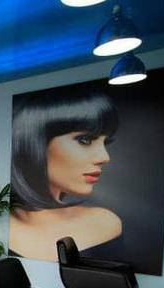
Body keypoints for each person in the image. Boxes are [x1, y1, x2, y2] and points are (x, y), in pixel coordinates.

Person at [9, 89, 122, 261]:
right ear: (33, 143)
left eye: (105, 142)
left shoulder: (104, 223)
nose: (104, 157)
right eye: (85, 140)